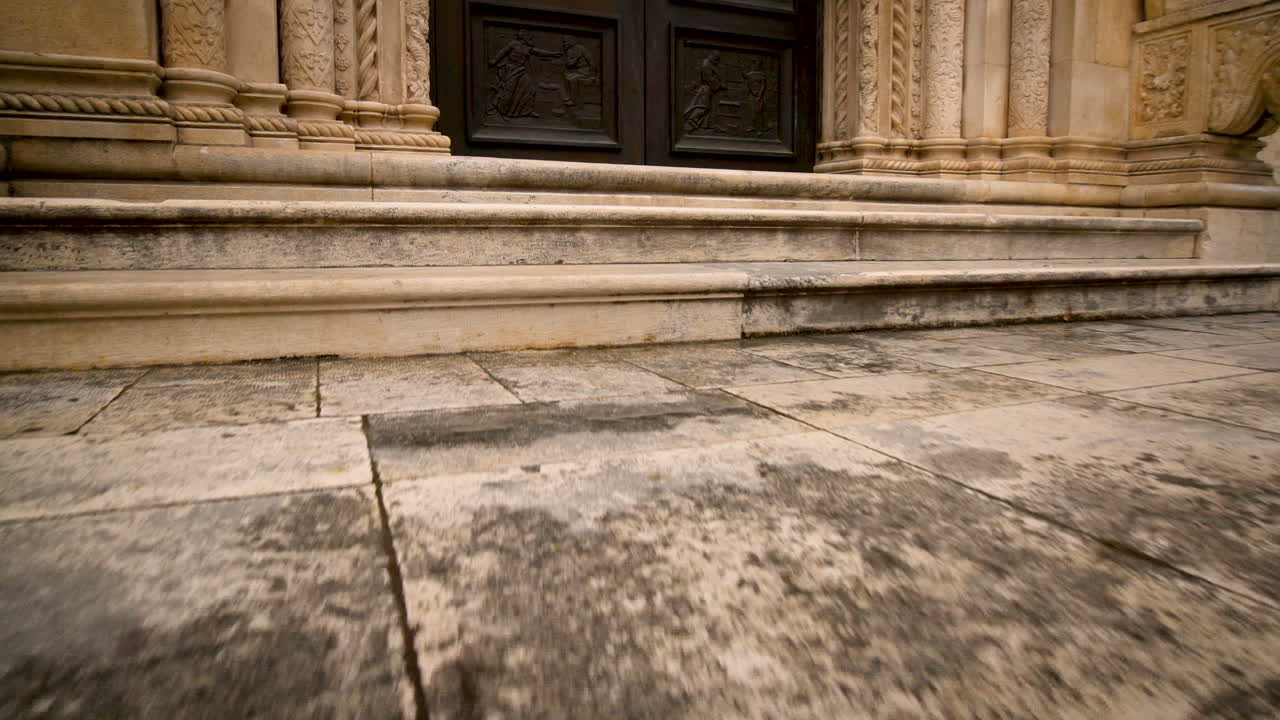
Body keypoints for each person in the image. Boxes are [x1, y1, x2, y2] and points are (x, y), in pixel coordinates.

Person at [488, 30, 560, 119]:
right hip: (510, 69)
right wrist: (495, 60)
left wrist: (553, 54)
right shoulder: (513, 43)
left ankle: (527, 111)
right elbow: (503, 52)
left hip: (521, 70)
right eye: (529, 37)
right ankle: (503, 112)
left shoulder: (527, 48)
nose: (531, 39)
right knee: (509, 92)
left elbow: (539, 52)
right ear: (524, 37)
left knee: (530, 89)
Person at [553, 35, 595, 117]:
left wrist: (593, 75)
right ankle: (567, 100)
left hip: (585, 71)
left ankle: (574, 103)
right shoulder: (569, 50)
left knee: (571, 79)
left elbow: (591, 61)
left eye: (565, 41)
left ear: (571, 40)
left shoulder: (581, 48)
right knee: (565, 77)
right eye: (563, 42)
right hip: (577, 71)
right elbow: (569, 64)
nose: (564, 43)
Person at [683, 51, 723, 131]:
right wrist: (720, 85)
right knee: (704, 107)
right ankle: (691, 119)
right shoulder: (706, 65)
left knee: (706, 108)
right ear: (712, 56)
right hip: (706, 89)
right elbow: (709, 79)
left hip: (709, 89)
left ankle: (699, 124)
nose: (716, 62)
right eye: (716, 59)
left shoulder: (708, 64)